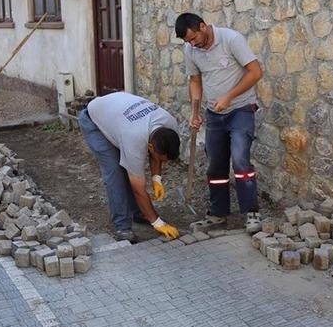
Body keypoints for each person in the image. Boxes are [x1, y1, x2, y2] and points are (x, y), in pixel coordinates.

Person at [175, 12, 264, 230]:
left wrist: (229, 96)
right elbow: (195, 81)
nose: (192, 45)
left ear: (203, 27)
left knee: (241, 160)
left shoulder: (231, 39)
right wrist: (195, 112)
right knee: (215, 165)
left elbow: (255, 72)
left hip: (241, 109)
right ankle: (218, 214)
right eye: (188, 42)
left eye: (193, 38)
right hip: (214, 114)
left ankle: (251, 213)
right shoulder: (191, 50)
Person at [78, 92, 182, 242]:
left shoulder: (169, 125)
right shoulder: (134, 139)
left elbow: (156, 155)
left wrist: (156, 179)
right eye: (161, 159)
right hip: (94, 121)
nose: (162, 162)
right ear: (150, 146)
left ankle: (140, 213)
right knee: (116, 172)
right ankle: (122, 226)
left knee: (130, 168)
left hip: (118, 116)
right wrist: (158, 223)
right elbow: (138, 189)